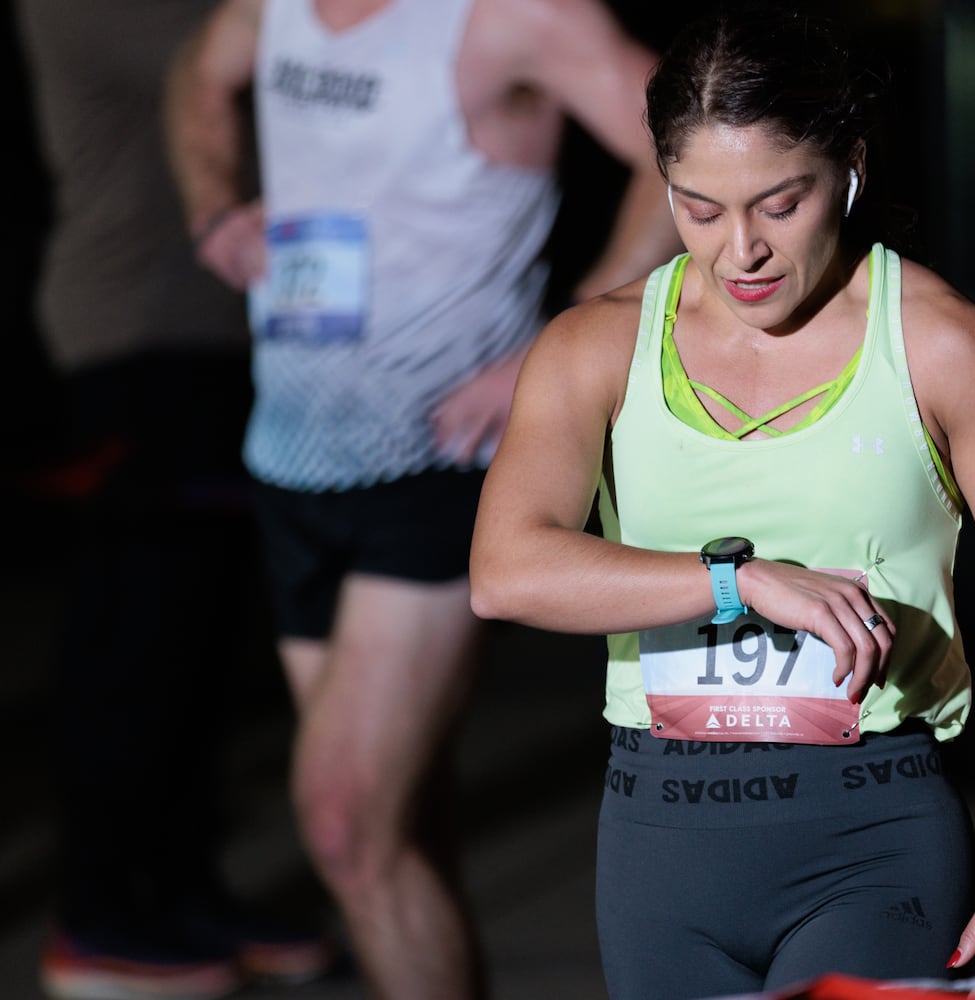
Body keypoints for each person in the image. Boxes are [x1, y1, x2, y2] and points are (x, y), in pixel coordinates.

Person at [468, 5, 975, 998]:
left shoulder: (943, 347)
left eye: (778, 203)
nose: (739, 252)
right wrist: (740, 581)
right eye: (699, 208)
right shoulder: (594, 347)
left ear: (846, 166)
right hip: (656, 845)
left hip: (872, 837)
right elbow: (503, 573)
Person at [162, 0, 682, 996]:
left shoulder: (510, 14)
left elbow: (681, 143)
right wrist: (215, 202)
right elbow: (198, 69)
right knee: (401, 831)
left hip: (440, 460)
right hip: (293, 455)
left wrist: (561, 338)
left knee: (342, 823)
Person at [14, 2, 341, 998]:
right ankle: (99, 913)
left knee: (203, 642)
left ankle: (185, 889)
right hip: (137, 338)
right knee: (138, 637)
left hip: (231, 335)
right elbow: (257, 59)